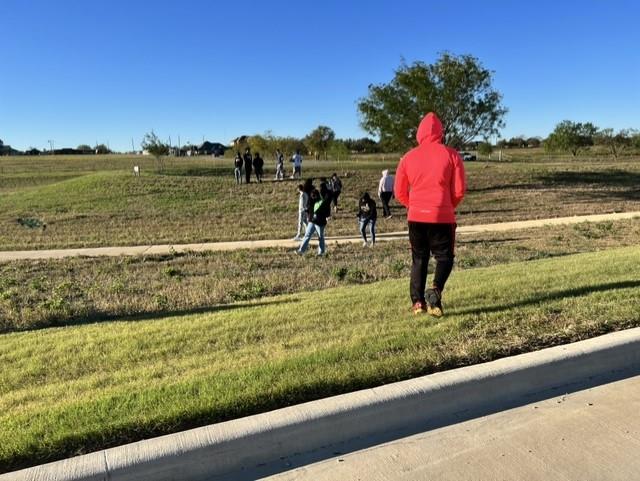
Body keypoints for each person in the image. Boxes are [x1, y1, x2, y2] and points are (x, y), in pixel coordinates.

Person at [394, 112, 466, 317]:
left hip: (416, 217)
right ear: (440, 133)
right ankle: (435, 290)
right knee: (445, 258)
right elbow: (459, 190)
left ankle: (418, 303)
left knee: (419, 259)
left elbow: (399, 192)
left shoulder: (407, 158)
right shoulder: (452, 155)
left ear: (419, 133)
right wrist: (446, 206)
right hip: (442, 216)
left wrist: (414, 205)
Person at [296, 187, 331, 256]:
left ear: (317, 195)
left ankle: (321, 252)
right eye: (312, 196)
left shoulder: (322, 202)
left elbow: (327, 212)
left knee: (320, 237)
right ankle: (301, 251)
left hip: (320, 222)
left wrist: (326, 216)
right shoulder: (311, 202)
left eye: (314, 195)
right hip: (312, 221)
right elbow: (310, 210)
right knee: (307, 235)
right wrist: (307, 211)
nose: (312, 197)